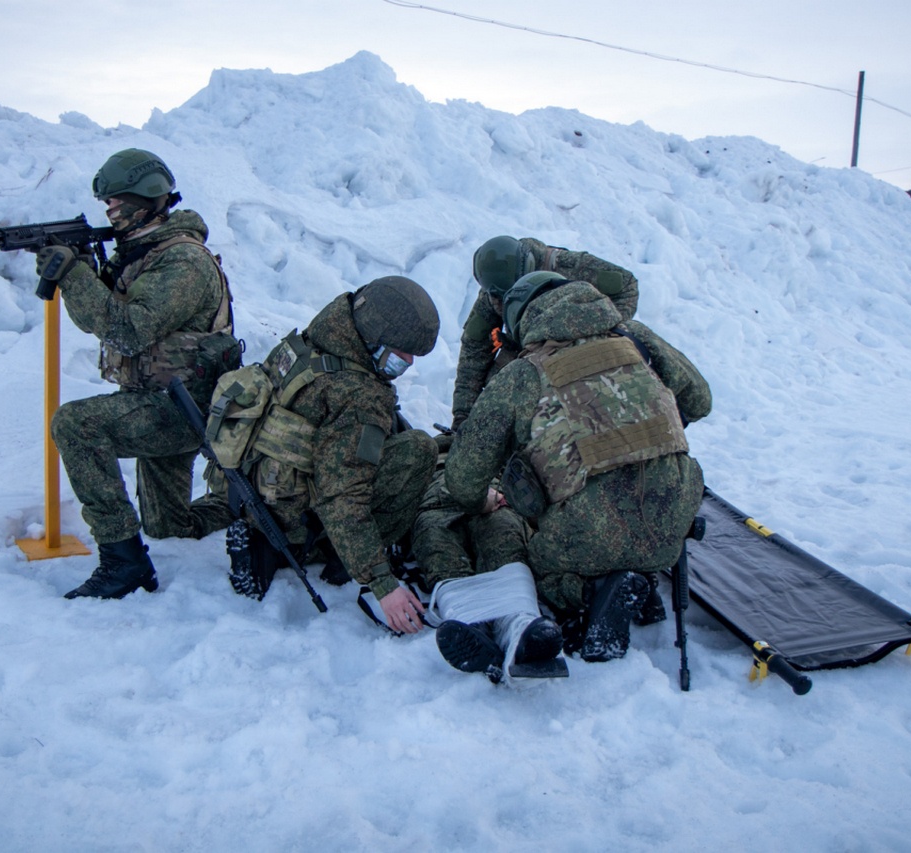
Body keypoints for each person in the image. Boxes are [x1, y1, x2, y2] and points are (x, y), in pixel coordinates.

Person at [443, 271, 712, 662]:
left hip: (586, 532)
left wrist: (486, 499)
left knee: (539, 569)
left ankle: (590, 591)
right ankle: (641, 578)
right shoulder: (637, 338)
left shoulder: (522, 374)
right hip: (676, 511)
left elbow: (463, 479)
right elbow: (700, 401)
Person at [41, 148, 238, 600]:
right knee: (169, 527)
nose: (108, 212)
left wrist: (74, 276)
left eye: (113, 202)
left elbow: (126, 331)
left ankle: (123, 563)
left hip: (184, 409)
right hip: (159, 396)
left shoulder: (183, 262)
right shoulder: (142, 252)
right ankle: (240, 506)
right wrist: (82, 272)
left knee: (75, 424)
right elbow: (103, 316)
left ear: (142, 199)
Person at [224, 276, 440, 635]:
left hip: (257, 489)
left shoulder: (315, 341)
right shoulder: (358, 395)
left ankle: (268, 539)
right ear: (372, 339)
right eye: (400, 356)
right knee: (419, 450)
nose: (409, 363)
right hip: (302, 520)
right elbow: (341, 496)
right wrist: (382, 583)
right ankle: (328, 552)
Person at [451, 235, 640, 431]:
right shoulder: (496, 292)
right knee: (499, 390)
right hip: (526, 345)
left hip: (578, 337)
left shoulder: (567, 266)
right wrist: (462, 415)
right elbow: (474, 350)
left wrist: (601, 327)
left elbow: (627, 287)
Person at [411, 456, 566, 682]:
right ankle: (472, 626)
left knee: (505, 541)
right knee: (439, 550)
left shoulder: (489, 447)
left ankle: (519, 628)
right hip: (435, 505)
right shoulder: (425, 452)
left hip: (494, 498)